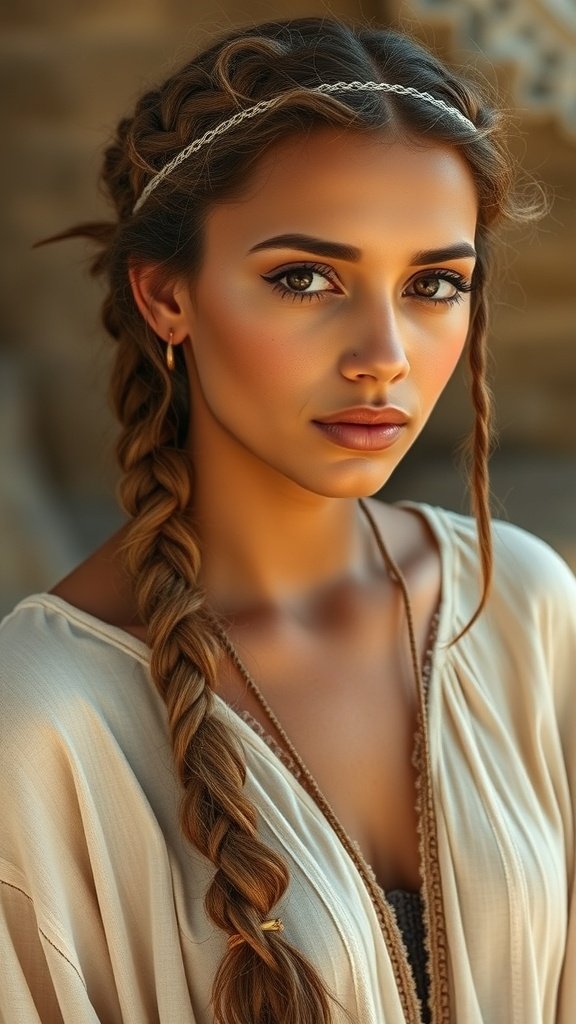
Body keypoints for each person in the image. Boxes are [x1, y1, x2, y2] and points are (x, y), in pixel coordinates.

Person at [0, 15, 574, 1024]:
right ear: (165, 295)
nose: (384, 354)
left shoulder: (523, 607)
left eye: (435, 284)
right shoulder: (38, 724)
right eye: (306, 278)